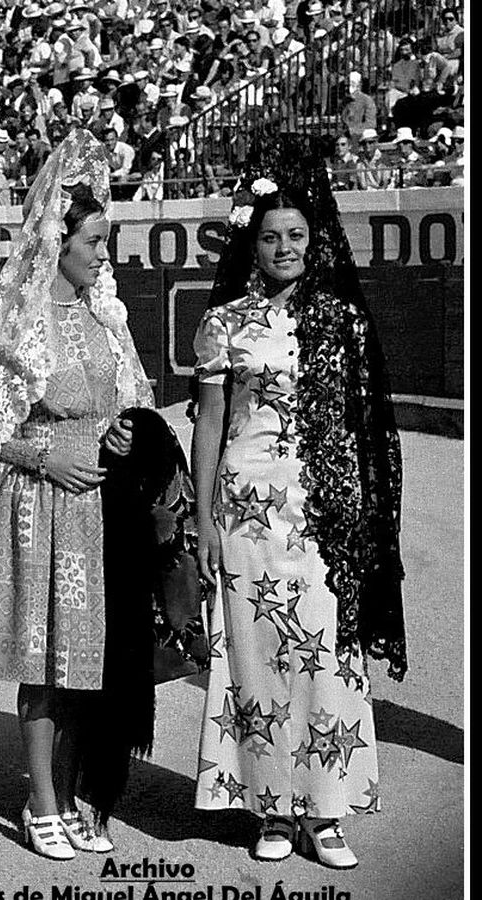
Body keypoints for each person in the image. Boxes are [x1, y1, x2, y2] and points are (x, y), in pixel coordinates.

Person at [191, 135, 405, 869]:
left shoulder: (341, 321)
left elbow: (364, 426)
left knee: (325, 660)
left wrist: (367, 516)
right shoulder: (222, 323)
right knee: (255, 661)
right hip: (245, 510)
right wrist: (203, 521)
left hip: (323, 514)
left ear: (315, 244)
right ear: (252, 244)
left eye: (296, 236)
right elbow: (212, 426)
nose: (283, 247)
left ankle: (328, 808)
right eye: (271, 236)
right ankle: (272, 809)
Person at [0, 128, 154, 860]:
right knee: (46, 665)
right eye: (94, 241)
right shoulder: (20, 322)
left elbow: (126, 401)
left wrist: (121, 438)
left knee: (86, 665)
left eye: (105, 241)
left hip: (100, 505)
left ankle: (68, 789)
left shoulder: (104, 317)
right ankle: (41, 798)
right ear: (59, 242)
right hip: (45, 505)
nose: (103, 255)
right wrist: (48, 459)